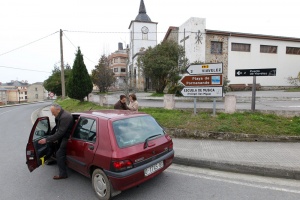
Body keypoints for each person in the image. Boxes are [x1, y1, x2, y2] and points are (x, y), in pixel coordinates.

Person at [38, 104, 74, 180]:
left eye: (53, 112)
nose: (52, 114)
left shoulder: (65, 117)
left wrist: (46, 139)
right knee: (53, 144)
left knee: (59, 153)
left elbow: (61, 132)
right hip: (62, 135)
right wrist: (51, 137)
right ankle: (50, 158)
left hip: (66, 137)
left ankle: (63, 174)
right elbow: (57, 128)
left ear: (58, 110)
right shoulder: (60, 116)